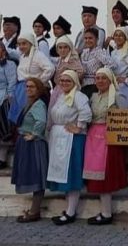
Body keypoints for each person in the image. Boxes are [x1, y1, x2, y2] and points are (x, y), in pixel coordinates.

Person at [83, 68, 128, 225]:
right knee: (96, 174)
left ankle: (107, 213)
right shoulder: (93, 97)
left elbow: (125, 117)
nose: (100, 81)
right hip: (93, 137)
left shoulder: (117, 95)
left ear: (110, 80)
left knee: (105, 175)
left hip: (109, 138)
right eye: (97, 78)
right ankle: (104, 211)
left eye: (104, 78)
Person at [47, 70, 92, 225]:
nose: (64, 83)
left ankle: (71, 211)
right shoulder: (61, 96)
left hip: (71, 139)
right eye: (62, 80)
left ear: (75, 82)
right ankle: (68, 208)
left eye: (68, 81)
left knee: (71, 173)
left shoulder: (79, 96)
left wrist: (79, 127)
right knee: (63, 173)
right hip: (59, 137)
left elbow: (86, 113)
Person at [11, 78, 48, 223]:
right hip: (26, 143)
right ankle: (34, 209)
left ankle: (34, 211)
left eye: (32, 87)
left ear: (38, 89)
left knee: (37, 175)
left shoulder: (38, 104)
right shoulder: (30, 103)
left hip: (34, 144)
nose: (28, 89)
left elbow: (42, 121)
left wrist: (34, 134)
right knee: (33, 174)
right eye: (27, 87)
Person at [8, 33, 54, 127]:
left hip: (32, 89)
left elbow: (50, 68)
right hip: (21, 89)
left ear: (31, 43)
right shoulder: (23, 56)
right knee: (19, 116)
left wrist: (38, 82)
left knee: (29, 115)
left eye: (24, 43)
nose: (21, 46)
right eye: (19, 44)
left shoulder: (38, 55)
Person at [80, 28, 115, 98]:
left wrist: (102, 74)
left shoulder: (99, 52)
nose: (87, 40)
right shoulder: (84, 53)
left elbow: (112, 64)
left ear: (97, 39)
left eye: (90, 38)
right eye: (86, 38)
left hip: (95, 86)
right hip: (83, 85)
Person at [0, 41, 17, 169]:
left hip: (4, 96)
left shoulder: (10, 64)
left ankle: (2, 158)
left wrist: (9, 98)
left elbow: (11, 82)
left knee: (4, 128)